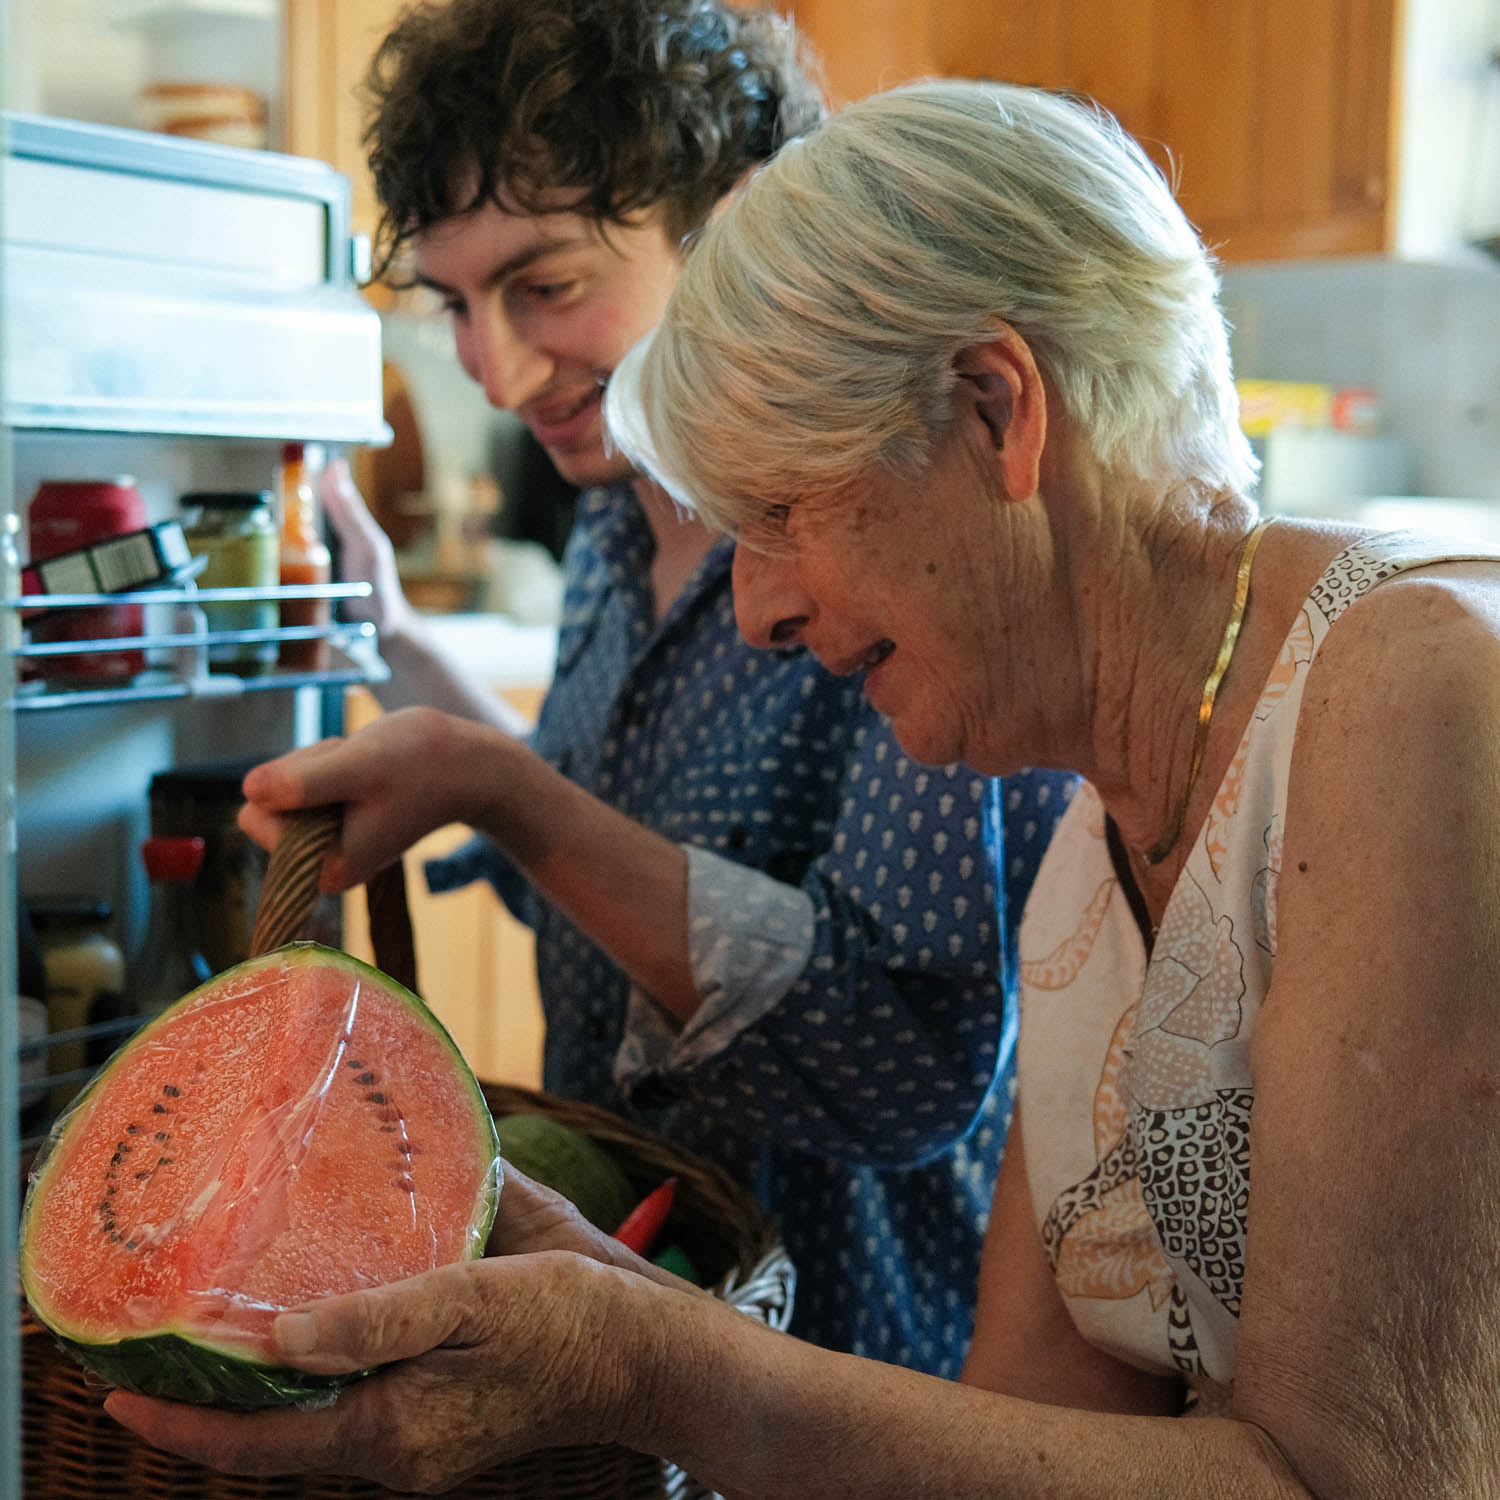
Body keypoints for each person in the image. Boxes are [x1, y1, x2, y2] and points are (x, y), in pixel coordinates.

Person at [110, 77, 1500, 1496]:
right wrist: (627, 1323)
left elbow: (1362, 1481)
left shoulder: (1416, 687)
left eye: (779, 512)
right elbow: (1037, 1418)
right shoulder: (1098, 826)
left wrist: (662, 1372)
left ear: (995, 409)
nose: (758, 610)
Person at [265, 0, 1077, 1375]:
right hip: (624, 1357)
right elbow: (601, 853)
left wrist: (503, 793)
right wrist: (396, 642)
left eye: (545, 286)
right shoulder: (612, 517)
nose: (497, 371)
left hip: (842, 1368)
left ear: (737, 223)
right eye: (455, 305)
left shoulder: (896, 531)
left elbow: (904, 1063)